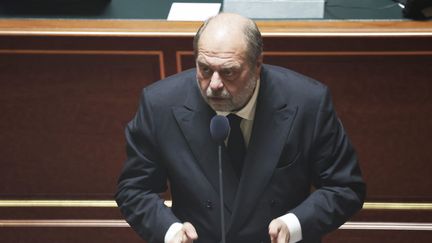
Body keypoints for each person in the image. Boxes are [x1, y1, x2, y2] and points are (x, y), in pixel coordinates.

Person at [115, 13, 366, 243]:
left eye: (229, 72)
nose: (214, 84)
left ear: (257, 65)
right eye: (204, 69)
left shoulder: (308, 102)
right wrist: (171, 232)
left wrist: (295, 224)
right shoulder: (160, 104)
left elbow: (345, 187)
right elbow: (134, 189)